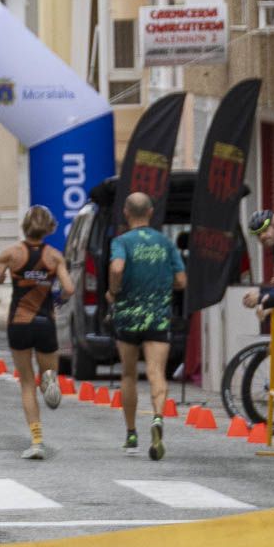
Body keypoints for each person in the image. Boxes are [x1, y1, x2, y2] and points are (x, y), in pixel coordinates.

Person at [0, 205, 74, 460]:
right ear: (48, 228)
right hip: (46, 323)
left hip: (19, 323)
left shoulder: (11, 254)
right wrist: (58, 299)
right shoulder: (54, 257)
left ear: (25, 226)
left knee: (25, 383)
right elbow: (69, 287)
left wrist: (0, 278)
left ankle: (36, 440)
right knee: (46, 374)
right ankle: (50, 380)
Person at [106, 192, 186, 461]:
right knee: (156, 372)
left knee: (129, 375)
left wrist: (114, 291)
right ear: (150, 212)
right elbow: (182, 281)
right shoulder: (165, 243)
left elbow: (117, 268)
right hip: (157, 316)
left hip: (128, 316)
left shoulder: (121, 242)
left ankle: (131, 434)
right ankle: (158, 418)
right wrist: (163, 284)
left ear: (126, 213)